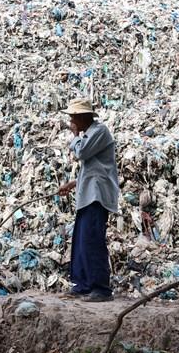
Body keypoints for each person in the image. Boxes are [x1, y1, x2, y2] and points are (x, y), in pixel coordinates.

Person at [58, 98, 119, 302]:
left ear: (84, 117)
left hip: (97, 196)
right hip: (87, 194)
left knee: (93, 240)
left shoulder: (99, 131)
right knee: (82, 241)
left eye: (74, 117)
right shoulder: (90, 134)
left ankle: (100, 288)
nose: (72, 121)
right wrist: (72, 184)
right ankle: (83, 285)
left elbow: (81, 153)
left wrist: (75, 136)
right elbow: (92, 167)